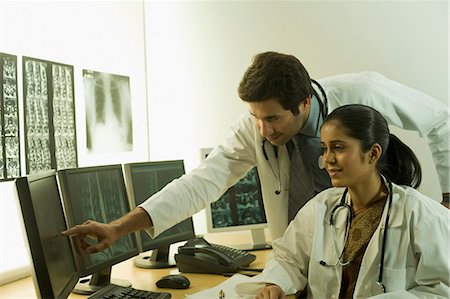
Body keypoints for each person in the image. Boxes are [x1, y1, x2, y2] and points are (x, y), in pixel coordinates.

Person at [63, 51, 449, 255]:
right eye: (255, 117)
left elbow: (440, 121)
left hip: (377, 244)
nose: (263, 130)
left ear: (303, 103)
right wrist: (118, 227)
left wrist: (448, 198)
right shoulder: (257, 127)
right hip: (303, 255)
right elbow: (202, 181)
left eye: (273, 118)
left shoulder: (363, 92)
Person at [235, 104, 450, 299]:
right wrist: (276, 284)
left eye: (338, 147)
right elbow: (289, 258)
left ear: (373, 153)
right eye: (324, 148)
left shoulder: (424, 217)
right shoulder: (321, 207)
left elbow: (442, 290)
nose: (327, 159)